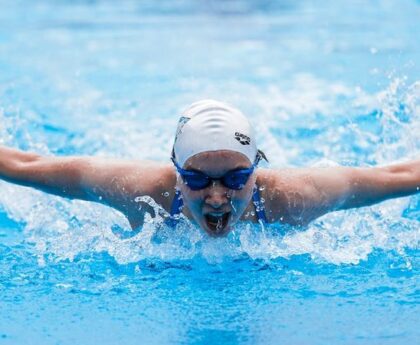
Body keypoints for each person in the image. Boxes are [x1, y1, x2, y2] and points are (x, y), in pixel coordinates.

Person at [0, 99, 419, 237]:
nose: (218, 196)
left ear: (257, 168)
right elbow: (26, 163)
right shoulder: (143, 192)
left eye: (236, 179)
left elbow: (397, 176)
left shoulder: (294, 198)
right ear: (176, 170)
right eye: (198, 179)